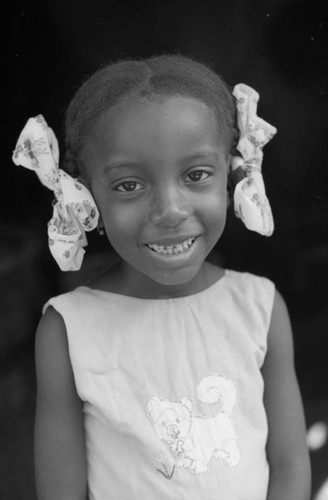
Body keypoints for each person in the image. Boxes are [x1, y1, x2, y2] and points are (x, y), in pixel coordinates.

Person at [13, 55, 311, 500]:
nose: (170, 210)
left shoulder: (260, 308)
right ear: (82, 193)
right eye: (129, 185)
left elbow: (289, 465)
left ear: (231, 175)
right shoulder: (68, 330)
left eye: (196, 175)